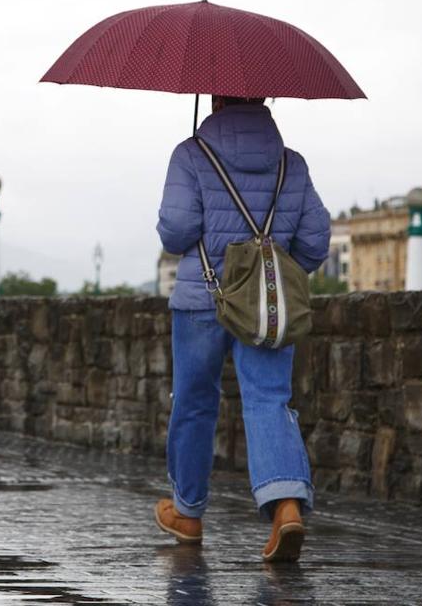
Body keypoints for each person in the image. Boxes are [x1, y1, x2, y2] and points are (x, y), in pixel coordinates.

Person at [153, 96, 330, 563]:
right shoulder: (291, 164)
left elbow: (175, 231)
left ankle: (188, 513)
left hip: (201, 299)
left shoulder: (190, 154)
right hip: (268, 306)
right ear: (263, 98)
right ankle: (286, 506)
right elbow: (315, 242)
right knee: (269, 399)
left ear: (214, 97)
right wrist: (273, 264)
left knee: (194, 402)